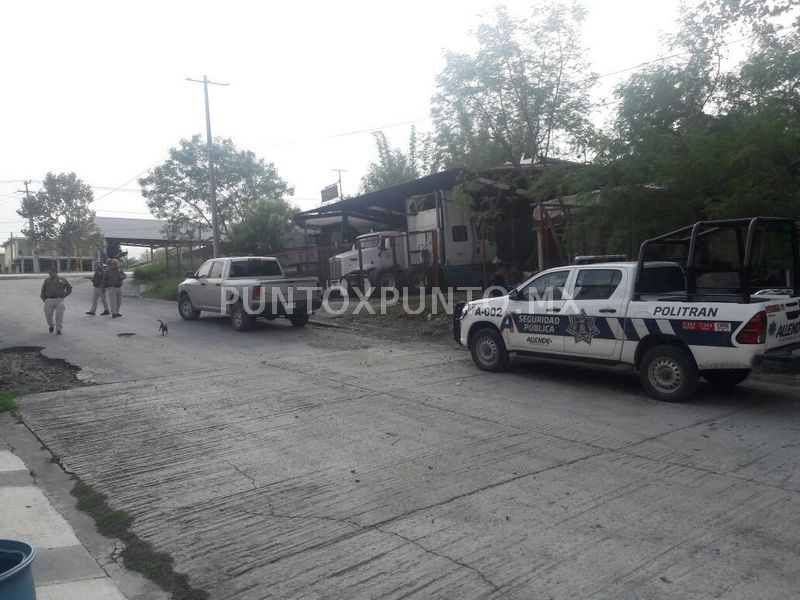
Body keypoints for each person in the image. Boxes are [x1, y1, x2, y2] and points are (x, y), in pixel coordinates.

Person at [40, 266, 72, 335]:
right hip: (49, 300)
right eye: (49, 273)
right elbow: (43, 290)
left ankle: (58, 329)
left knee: (59, 315)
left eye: (51, 272)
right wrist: (44, 299)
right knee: (48, 314)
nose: (49, 274)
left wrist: (65, 295)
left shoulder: (63, 280)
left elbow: (69, 288)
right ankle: (51, 325)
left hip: (59, 299)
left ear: (56, 272)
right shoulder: (47, 280)